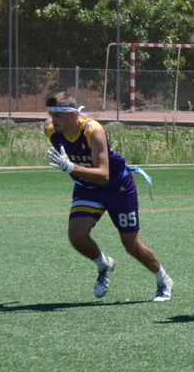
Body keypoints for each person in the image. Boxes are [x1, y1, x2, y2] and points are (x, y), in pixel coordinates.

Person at [42, 92, 172, 302]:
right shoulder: (51, 130)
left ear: (73, 116)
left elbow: (104, 175)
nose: (52, 122)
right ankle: (104, 264)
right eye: (51, 116)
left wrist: (71, 167)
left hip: (117, 187)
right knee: (77, 236)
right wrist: (73, 168)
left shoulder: (93, 131)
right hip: (87, 187)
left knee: (132, 245)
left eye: (57, 117)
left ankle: (163, 279)